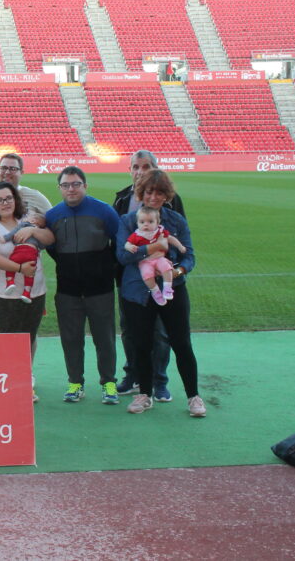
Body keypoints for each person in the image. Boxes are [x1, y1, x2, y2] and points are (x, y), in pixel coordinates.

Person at [115, 170, 204, 418]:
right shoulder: (128, 221)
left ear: (167, 196)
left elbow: (189, 256)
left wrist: (176, 272)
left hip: (172, 288)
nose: (153, 197)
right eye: (149, 192)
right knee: (141, 344)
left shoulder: (176, 221)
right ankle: (145, 394)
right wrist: (153, 247)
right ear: (140, 193)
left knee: (181, 343)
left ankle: (193, 396)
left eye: (159, 193)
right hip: (137, 290)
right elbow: (122, 256)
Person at [112, 150, 187, 399]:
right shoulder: (122, 199)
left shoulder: (170, 202)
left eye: (146, 167)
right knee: (130, 330)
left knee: (160, 332)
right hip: (130, 280)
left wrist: (175, 270)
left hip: (161, 275)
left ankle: (159, 381)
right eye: (136, 167)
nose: (140, 171)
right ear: (129, 170)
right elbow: (119, 244)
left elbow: (178, 238)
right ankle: (133, 375)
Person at [45, 166, 122, 405]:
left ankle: (108, 383)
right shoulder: (53, 216)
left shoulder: (104, 211)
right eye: (66, 185)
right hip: (67, 291)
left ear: (85, 186)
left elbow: (118, 241)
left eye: (76, 184)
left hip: (100, 289)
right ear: (60, 188)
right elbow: (52, 248)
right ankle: (75, 383)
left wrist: (102, 268)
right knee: (71, 339)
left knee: (104, 338)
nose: (71, 189)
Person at [0, 182, 53, 402]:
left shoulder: (26, 219)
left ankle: (25, 377)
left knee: (29, 335)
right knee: (9, 338)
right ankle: (9, 381)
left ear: (16, 200)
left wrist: (34, 230)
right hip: (4, 293)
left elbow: (50, 238)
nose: (5, 203)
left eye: (8, 198)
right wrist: (19, 268)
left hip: (35, 290)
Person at [0, 153, 52, 333]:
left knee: (28, 330)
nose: (7, 172)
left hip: (29, 273)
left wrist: (36, 228)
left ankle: (27, 355)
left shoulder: (35, 197)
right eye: (3, 168)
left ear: (21, 172)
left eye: (12, 168)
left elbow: (53, 225)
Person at [125, 206, 187, 305]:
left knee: (166, 267)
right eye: (142, 222)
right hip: (145, 261)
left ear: (157, 223)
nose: (146, 224)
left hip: (159, 258)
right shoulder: (137, 235)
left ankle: (167, 288)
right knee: (146, 275)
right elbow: (127, 244)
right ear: (137, 223)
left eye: (150, 222)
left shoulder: (159, 232)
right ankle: (155, 292)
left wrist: (180, 246)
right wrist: (129, 247)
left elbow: (170, 238)